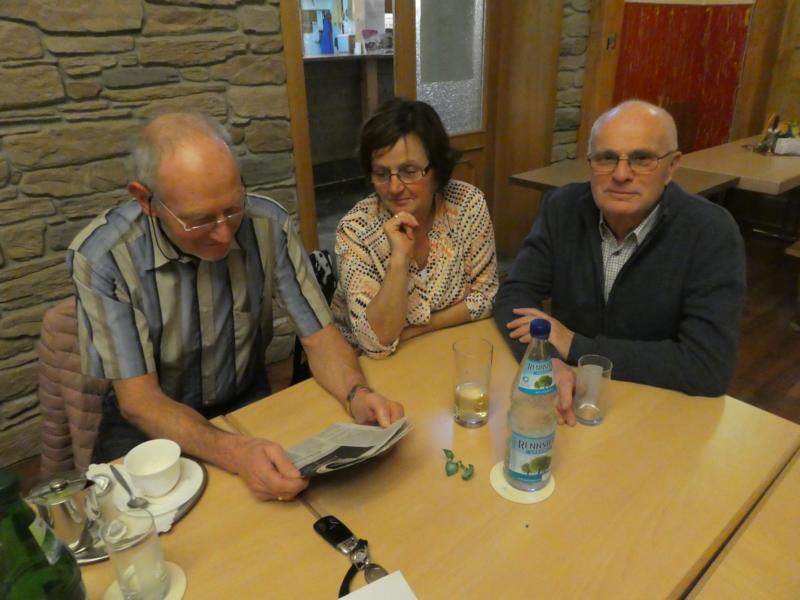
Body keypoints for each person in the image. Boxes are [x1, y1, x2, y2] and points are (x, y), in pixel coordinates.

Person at [67, 112, 404, 502]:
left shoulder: (268, 225)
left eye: (232, 208)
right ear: (146, 200)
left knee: (290, 503)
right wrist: (235, 452)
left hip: (243, 396)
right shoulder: (103, 256)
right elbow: (140, 401)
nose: (224, 234)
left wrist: (356, 393)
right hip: (148, 425)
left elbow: (320, 338)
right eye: (199, 221)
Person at [495, 100, 746, 415]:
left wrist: (575, 345)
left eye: (642, 159)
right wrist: (546, 359)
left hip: (657, 408)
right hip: (568, 401)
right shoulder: (562, 207)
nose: (621, 174)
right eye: (606, 158)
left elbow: (707, 366)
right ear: (590, 163)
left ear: (672, 166)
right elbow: (515, 294)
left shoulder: (711, 231)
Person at [332, 98, 499, 358]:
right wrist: (399, 259)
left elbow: (487, 297)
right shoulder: (356, 229)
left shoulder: (466, 204)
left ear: (437, 170)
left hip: (444, 347)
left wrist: (418, 329)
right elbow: (376, 343)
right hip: (365, 364)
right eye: (381, 173)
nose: (394, 187)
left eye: (409, 171)